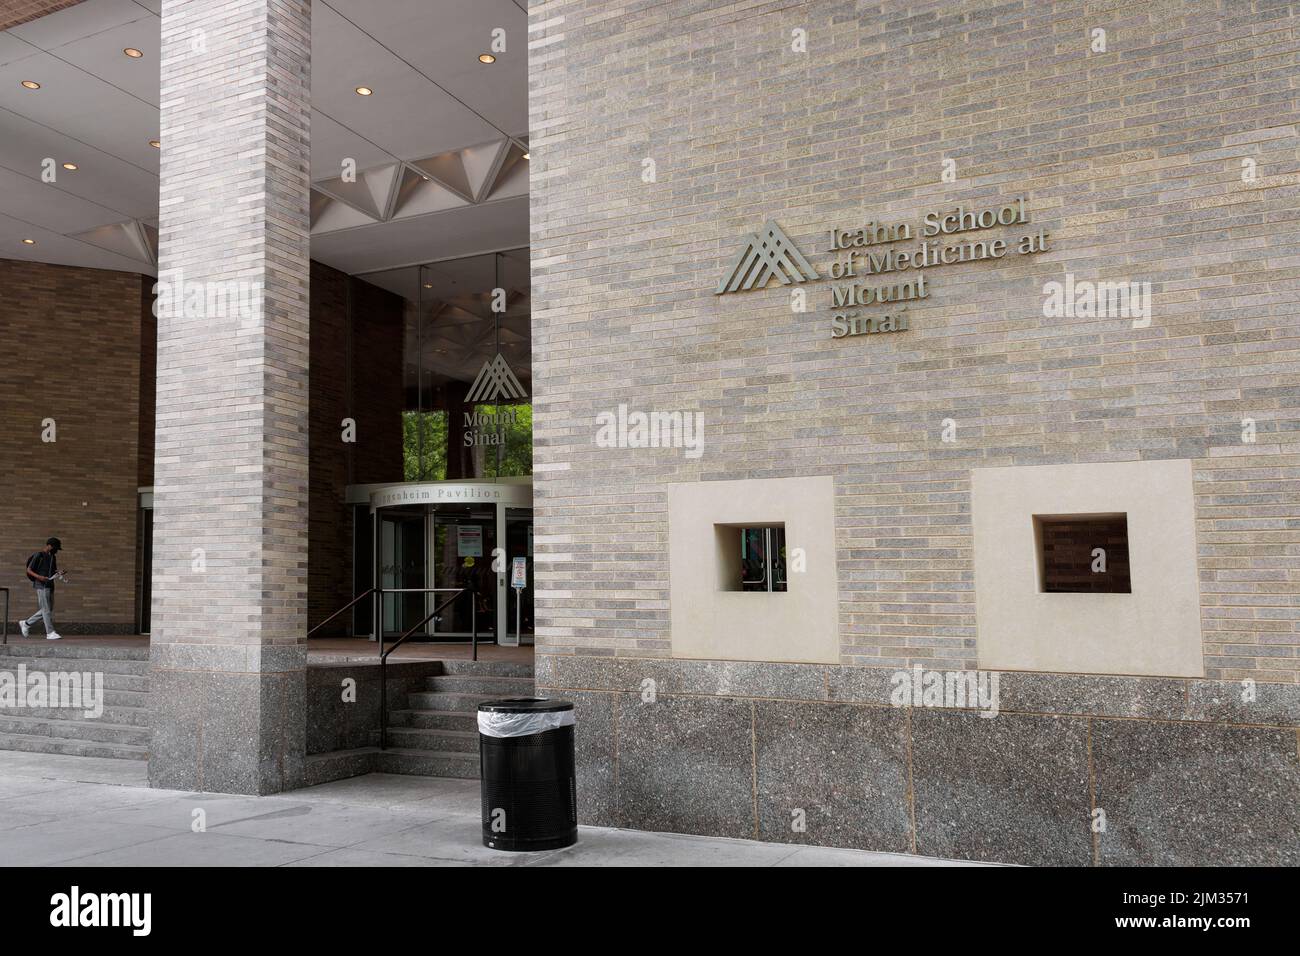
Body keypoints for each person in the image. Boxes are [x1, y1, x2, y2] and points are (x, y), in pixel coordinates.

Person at [20, 537, 63, 640]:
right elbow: (29, 570)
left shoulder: (53, 557)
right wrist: (39, 577)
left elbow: (52, 571)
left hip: (50, 585)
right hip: (41, 585)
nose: (56, 550)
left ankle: (26, 623)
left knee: (48, 609)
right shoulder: (38, 555)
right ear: (49, 546)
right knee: (46, 609)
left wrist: (59, 572)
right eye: (55, 548)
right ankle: (50, 632)